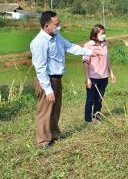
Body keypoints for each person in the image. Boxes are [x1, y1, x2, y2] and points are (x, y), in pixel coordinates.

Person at [30, 11, 97, 148]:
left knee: (55, 108)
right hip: (46, 80)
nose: (59, 26)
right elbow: (40, 68)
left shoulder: (57, 37)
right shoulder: (39, 42)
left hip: (57, 79)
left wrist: (90, 52)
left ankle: (53, 134)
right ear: (47, 25)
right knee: (45, 110)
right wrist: (48, 90)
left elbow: (70, 47)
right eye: (56, 24)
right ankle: (42, 140)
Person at [82, 25, 116, 123]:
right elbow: (85, 62)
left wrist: (112, 73)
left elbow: (107, 59)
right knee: (90, 99)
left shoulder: (105, 44)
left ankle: (97, 117)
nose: (104, 35)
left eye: (104, 33)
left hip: (104, 77)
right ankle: (88, 121)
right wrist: (87, 78)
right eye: (102, 33)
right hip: (93, 77)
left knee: (99, 99)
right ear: (95, 33)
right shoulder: (88, 45)